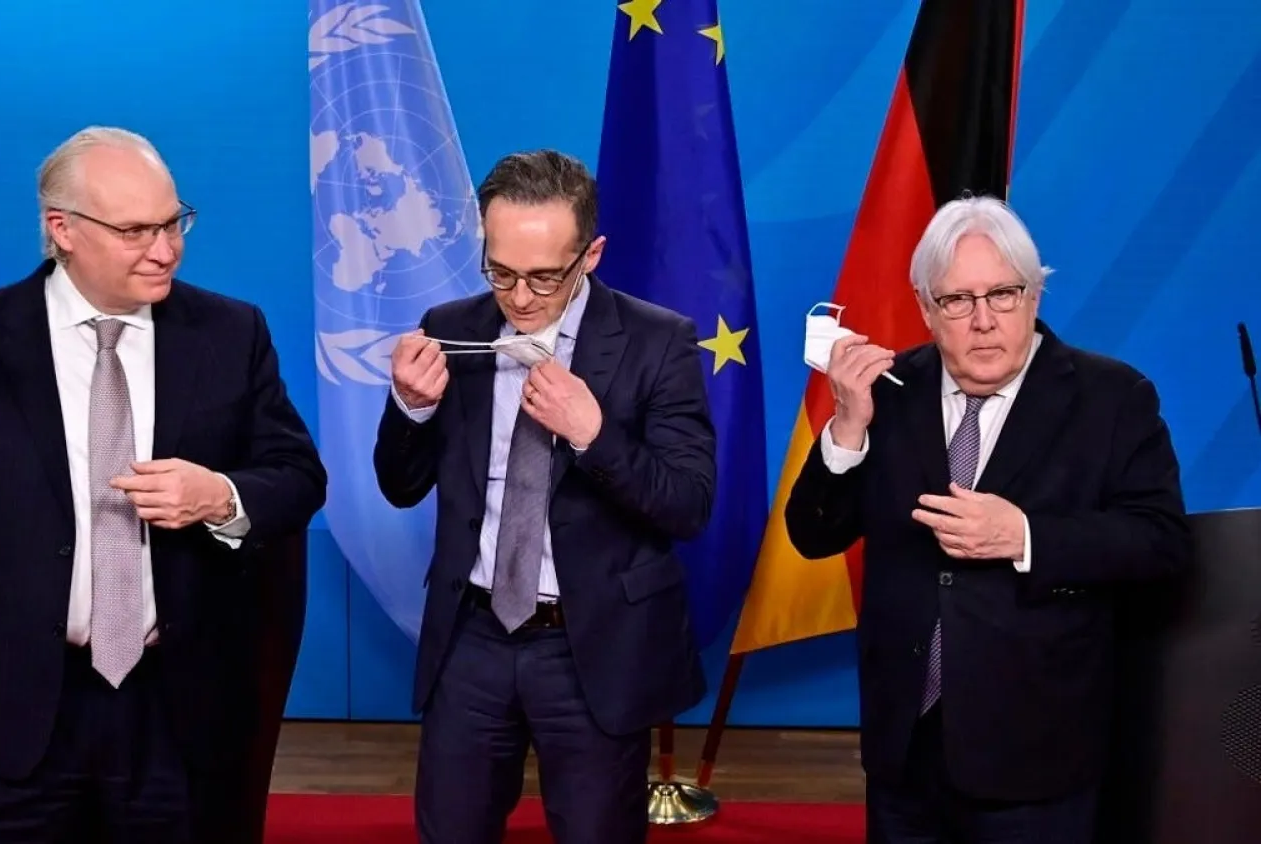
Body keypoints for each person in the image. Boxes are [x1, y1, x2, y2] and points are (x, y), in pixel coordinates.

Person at [0, 126, 326, 842]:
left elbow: (298, 479)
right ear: (63, 230)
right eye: (137, 230)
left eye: (176, 222)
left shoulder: (230, 332)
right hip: (20, 710)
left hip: (179, 710)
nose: (166, 248)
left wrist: (219, 497)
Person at [785, 195, 1190, 843]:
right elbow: (812, 534)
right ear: (926, 308)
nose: (982, 321)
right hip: (904, 748)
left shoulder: (1112, 398)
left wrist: (1025, 537)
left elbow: (1162, 543)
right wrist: (847, 429)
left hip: (1037, 753)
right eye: (957, 301)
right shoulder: (890, 391)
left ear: (1034, 296)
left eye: (1002, 295)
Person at [373, 149, 715, 843]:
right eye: (501, 272)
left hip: (590, 646)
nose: (521, 297)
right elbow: (399, 485)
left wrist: (594, 435)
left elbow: (688, 504)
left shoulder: (657, 341)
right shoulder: (453, 326)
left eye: (544, 277)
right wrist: (407, 408)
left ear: (591, 255)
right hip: (471, 636)